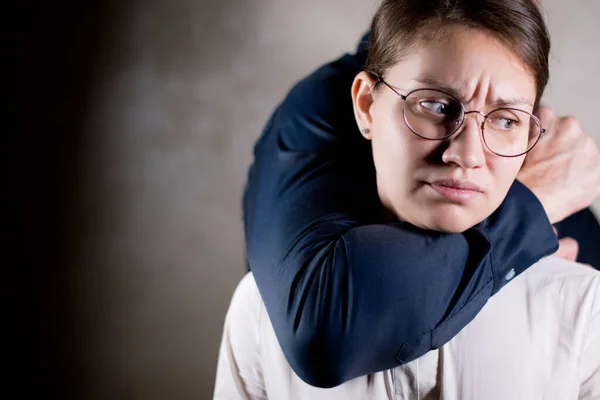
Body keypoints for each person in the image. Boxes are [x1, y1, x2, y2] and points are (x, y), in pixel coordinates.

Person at [215, 1, 600, 397]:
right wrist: (531, 206)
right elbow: (320, 329)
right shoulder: (256, 311)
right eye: (434, 106)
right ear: (366, 105)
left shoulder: (585, 303)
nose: (467, 155)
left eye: (506, 120)